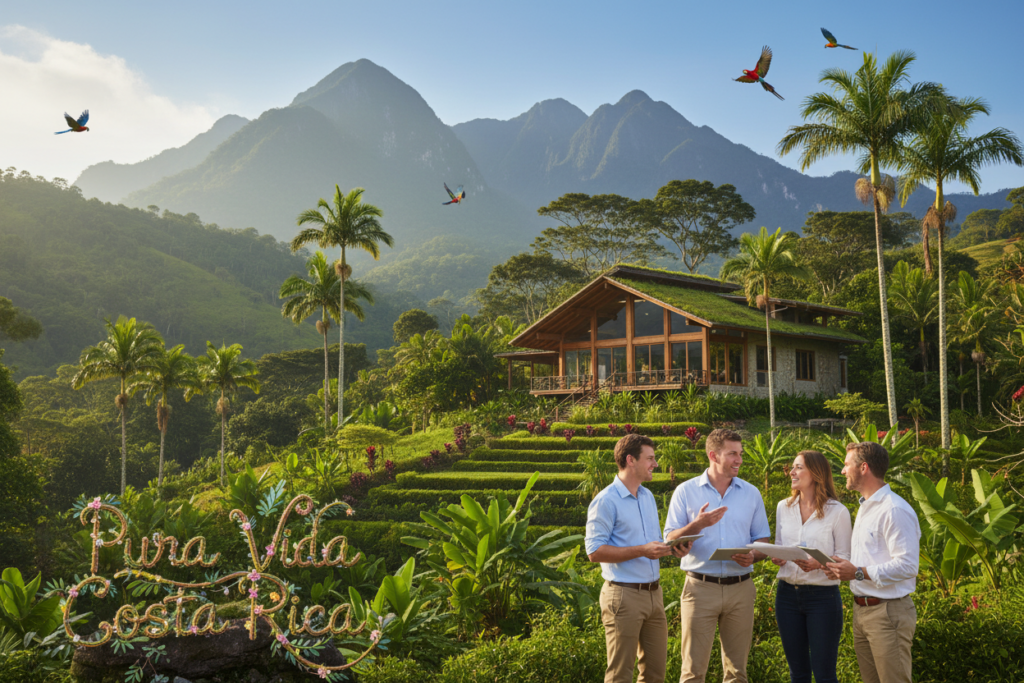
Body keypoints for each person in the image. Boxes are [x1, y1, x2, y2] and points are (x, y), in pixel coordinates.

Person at [664, 428, 771, 683]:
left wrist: (753, 555)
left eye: (740, 454)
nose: (739, 460)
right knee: (692, 672)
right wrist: (697, 525)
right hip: (700, 588)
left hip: (741, 588)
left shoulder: (751, 493)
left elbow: (763, 540)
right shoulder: (685, 491)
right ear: (713, 455)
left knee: (737, 673)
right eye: (732, 454)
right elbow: (669, 539)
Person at [586, 433, 690, 683]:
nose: (655, 464)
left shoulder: (647, 497)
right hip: (623, 596)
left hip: (654, 595)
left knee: (655, 674)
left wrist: (674, 549)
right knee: (620, 674)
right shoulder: (606, 500)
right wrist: (642, 550)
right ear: (630, 460)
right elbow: (594, 551)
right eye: (650, 458)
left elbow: (651, 544)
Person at [824, 441, 921, 683]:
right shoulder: (866, 508)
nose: (843, 471)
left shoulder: (894, 510)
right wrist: (837, 566)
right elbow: (867, 559)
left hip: (888, 613)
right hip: (863, 611)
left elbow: (908, 566)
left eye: (847, 465)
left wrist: (857, 572)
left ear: (864, 467)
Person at [771, 450, 852, 683]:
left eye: (798, 467)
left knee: (825, 674)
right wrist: (779, 557)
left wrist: (820, 563)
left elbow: (845, 558)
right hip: (786, 595)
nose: (792, 472)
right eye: (792, 467)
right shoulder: (783, 507)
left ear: (816, 474)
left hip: (822, 598)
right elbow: (779, 545)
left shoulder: (838, 512)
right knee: (798, 674)